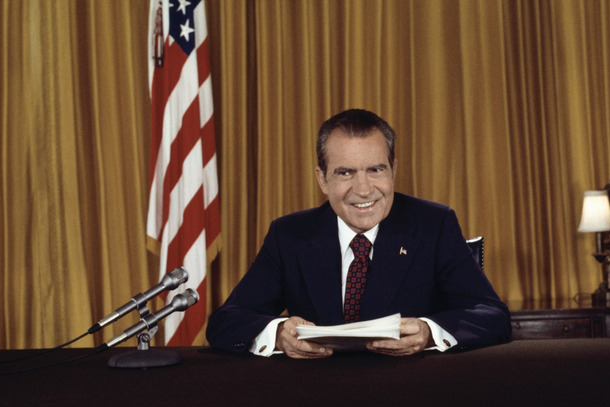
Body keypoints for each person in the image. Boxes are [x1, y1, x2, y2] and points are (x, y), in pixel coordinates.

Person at [206, 109, 511, 358]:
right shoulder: (289, 235)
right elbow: (225, 322)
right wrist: (277, 334)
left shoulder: (433, 224)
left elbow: (492, 315)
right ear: (323, 179)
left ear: (393, 169)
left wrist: (429, 331)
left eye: (375, 170)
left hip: (411, 400)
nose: (364, 190)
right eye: (345, 172)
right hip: (317, 403)